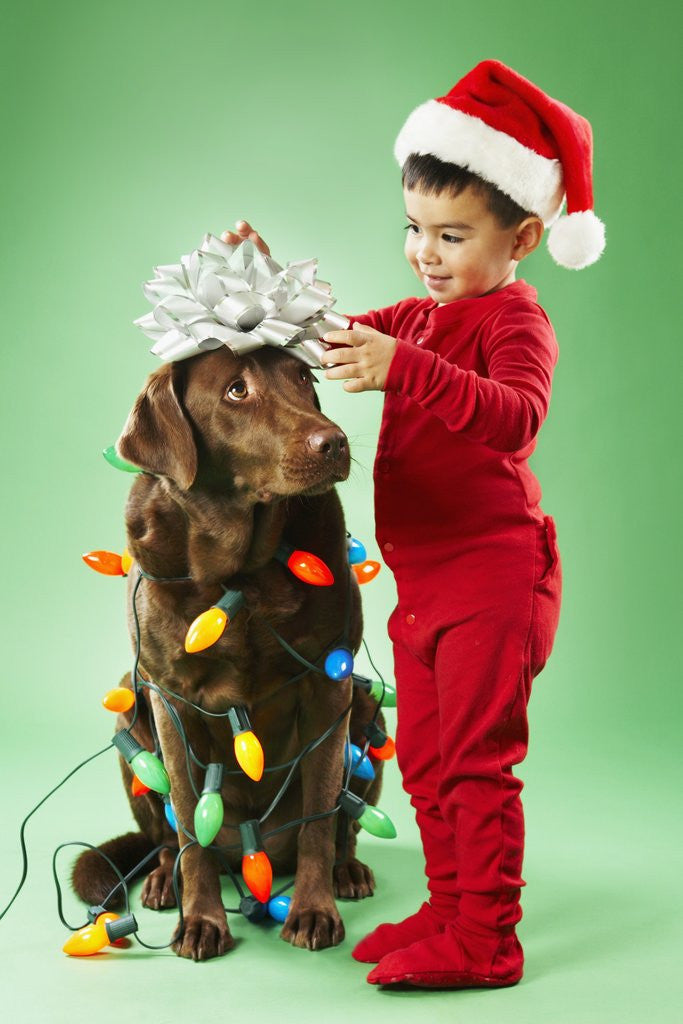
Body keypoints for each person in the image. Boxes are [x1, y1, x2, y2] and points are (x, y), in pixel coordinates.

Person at [223, 59, 605, 989]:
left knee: (475, 763)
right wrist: (263, 277)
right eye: (413, 229)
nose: (425, 252)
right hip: (426, 581)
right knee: (426, 758)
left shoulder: (515, 319)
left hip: (493, 575)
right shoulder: (423, 316)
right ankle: (449, 904)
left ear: (520, 237)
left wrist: (407, 369)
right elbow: (329, 333)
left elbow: (514, 417)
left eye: (451, 234)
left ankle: (488, 941)